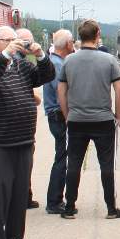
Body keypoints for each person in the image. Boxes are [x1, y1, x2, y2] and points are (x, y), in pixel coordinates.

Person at [0, 26, 54, 239]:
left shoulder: (23, 67)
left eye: (15, 40)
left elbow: (46, 76)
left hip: (23, 141)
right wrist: (5, 55)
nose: (13, 43)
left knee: (19, 195)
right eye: (7, 40)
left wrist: (40, 56)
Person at [59, 19, 120, 220]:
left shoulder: (69, 61)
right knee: (106, 164)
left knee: (74, 164)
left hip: (77, 120)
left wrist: (67, 115)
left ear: (80, 36)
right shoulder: (109, 60)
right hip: (103, 120)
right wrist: (117, 115)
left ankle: (69, 207)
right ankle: (111, 209)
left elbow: (61, 90)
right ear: (98, 34)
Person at [42, 29, 75, 213]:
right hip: (59, 114)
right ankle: (54, 201)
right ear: (68, 44)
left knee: (62, 156)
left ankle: (56, 200)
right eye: (72, 42)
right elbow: (61, 92)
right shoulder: (56, 65)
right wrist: (69, 116)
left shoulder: (57, 62)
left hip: (56, 113)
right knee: (62, 157)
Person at [16, 27, 42, 210]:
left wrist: (40, 55)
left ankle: (25, 195)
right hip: (10, 126)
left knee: (26, 162)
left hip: (25, 126)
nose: (26, 45)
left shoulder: (27, 63)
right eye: (23, 42)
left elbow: (45, 76)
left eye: (29, 42)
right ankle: (20, 197)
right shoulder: (8, 62)